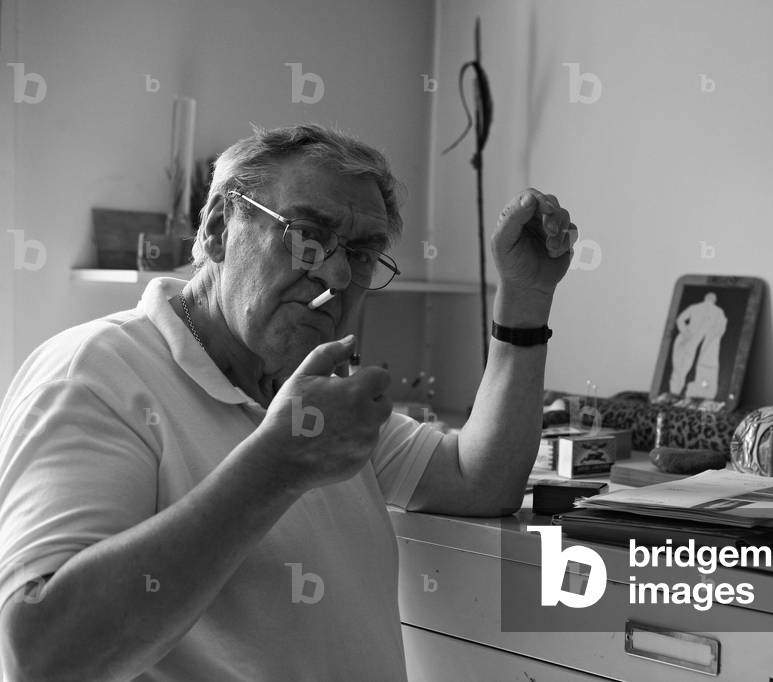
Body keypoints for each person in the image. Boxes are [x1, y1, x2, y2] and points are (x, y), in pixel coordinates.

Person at [0, 123, 578, 681]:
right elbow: (42, 657)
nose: (334, 272)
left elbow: (478, 480)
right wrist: (279, 465)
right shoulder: (98, 371)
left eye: (359, 252)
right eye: (305, 236)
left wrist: (525, 300)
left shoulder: (310, 388)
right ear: (219, 230)